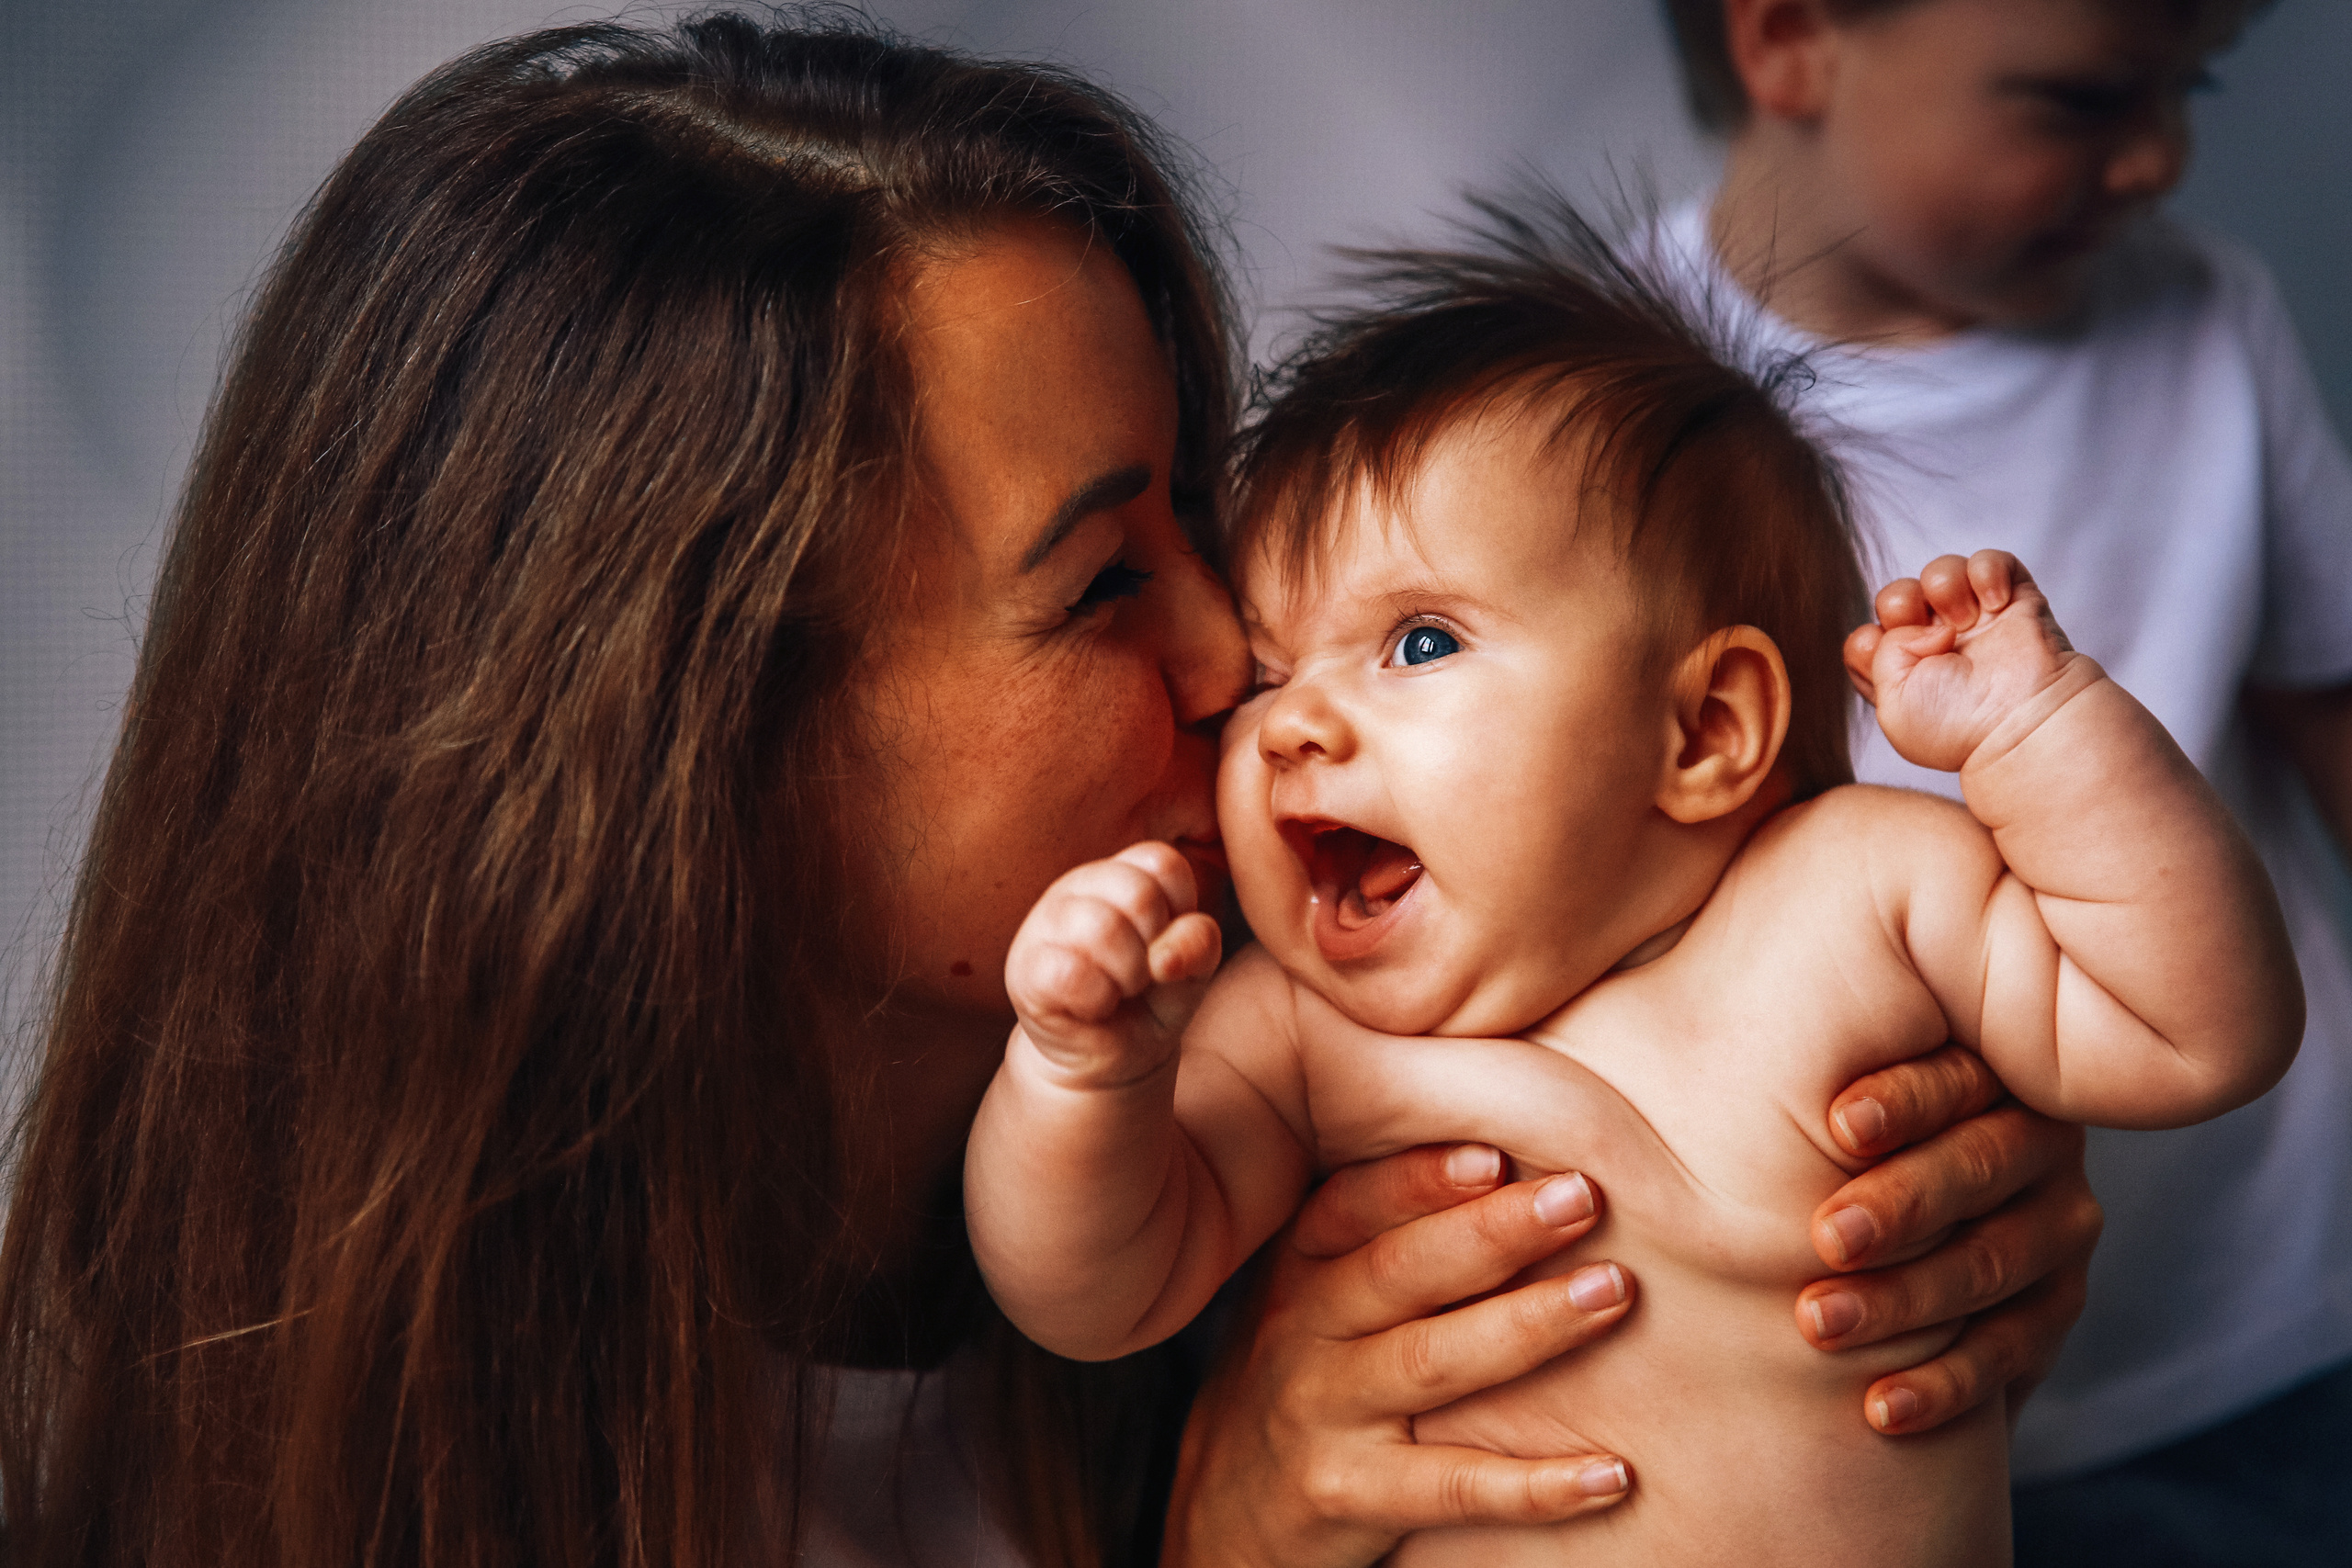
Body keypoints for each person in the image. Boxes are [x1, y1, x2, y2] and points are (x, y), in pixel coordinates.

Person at [0, 13, 2097, 1568]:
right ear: (676, 739)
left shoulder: (1373, 1074)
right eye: (1104, 577)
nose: (1250, 673)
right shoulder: (199, 1454)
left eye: (1209, 520)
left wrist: (1888, 1237)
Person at [963, 209, 2301, 1565]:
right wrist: (1082, 1075)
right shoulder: (1305, 1037)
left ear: (1707, 731)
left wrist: (2044, 733)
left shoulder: (1858, 893)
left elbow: (2200, 1031)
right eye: (1269, 674)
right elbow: (1093, 1293)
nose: (1293, 726)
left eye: (1418, 642)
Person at [1654, 0, 2352, 1560]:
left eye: (2190, 90)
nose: (2162, 160)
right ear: (1788, 43)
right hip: (1845, 1394)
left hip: (2260, 1307)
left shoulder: (2206, 322)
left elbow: (2330, 708)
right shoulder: (1597, 402)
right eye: (2083, 100)